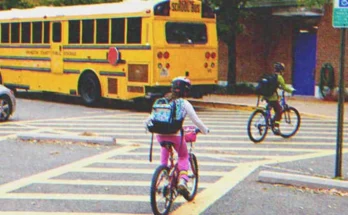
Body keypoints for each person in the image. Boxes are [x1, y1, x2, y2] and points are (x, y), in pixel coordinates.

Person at [145, 76, 209, 194]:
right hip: (175, 136)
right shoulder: (184, 103)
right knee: (183, 156)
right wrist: (204, 130)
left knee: (164, 154)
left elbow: (149, 118)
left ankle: (163, 176)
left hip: (160, 135)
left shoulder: (162, 101)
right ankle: (182, 181)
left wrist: (146, 128)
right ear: (186, 91)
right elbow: (196, 120)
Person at [264, 62, 295, 135]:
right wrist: (292, 90)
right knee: (279, 110)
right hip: (273, 97)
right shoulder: (279, 77)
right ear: (281, 70)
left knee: (271, 108)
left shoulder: (272, 76)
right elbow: (284, 87)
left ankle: (269, 120)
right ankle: (276, 127)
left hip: (266, 96)